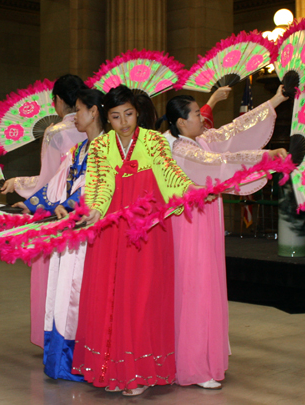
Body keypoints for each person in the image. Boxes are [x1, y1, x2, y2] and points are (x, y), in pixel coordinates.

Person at [157, 85, 288, 389]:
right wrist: (265, 156)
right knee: (195, 288)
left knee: (207, 285)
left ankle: (202, 357)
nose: (203, 118)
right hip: (189, 225)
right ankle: (193, 365)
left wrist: (277, 99)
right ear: (180, 122)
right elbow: (218, 164)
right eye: (195, 114)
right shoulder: (179, 149)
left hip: (205, 221)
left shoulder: (199, 138)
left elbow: (233, 129)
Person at [72, 85, 197, 396]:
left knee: (141, 298)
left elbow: (169, 176)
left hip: (148, 228)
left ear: (137, 112)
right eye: (115, 116)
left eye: (128, 114)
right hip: (111, 230)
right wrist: (95, 211)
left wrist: (190, 189)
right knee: (111, 297)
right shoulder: (101, 148)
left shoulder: (153, 140)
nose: (124, 121)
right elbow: (100, 188)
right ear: (107, 118)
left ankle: (138, 372)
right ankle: (111, 369)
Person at [12, 89, 106, 380]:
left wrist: (61, 209)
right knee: (63, 294)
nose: (74, 117)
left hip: (91, 232)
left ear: (93, 112)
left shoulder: (109, 148)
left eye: (78, 110)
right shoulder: (77, 151)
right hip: (67, 232)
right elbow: (53, 187)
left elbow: (90, 192)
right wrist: (29, 206)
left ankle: (86, 361)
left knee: (80, 294)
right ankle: (63, 360)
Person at [0, 74, 88, 348]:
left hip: (55, 209)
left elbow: (47, 180)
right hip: (84, 206)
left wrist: (17, 184)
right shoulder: (97, 127)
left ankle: (51, 335)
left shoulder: (56, 131)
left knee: (53, 278)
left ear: (59, 101)